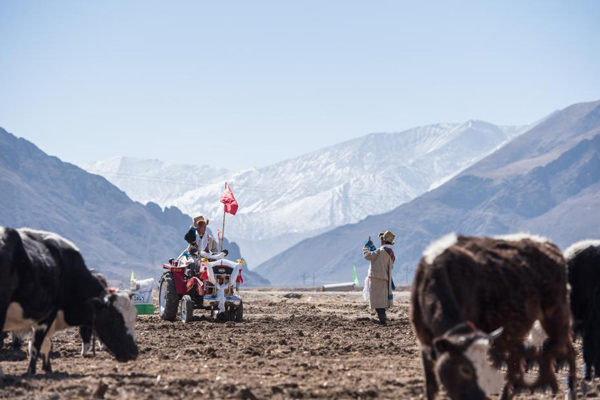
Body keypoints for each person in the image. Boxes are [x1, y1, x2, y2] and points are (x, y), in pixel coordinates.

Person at [363, 230, 396, 325]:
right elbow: (377, 256)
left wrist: (367, 247)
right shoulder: (391, 253)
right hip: (385, 279)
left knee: (378, 302)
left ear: (383, 241)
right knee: (381, 301)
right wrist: (373, 248)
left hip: (376, 278)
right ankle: (383, 319)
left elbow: (368, 255)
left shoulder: (380, 251)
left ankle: (383, 321)